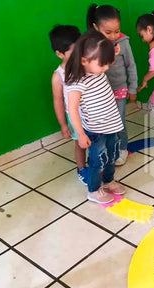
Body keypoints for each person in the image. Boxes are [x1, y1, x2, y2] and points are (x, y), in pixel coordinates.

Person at [65, 30, 126, 204]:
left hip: (111, 126)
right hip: (95, 131)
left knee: (111, 156)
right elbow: (72, 110)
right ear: (84, 60)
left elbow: (106, 54)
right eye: (103, 64)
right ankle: (93, 190)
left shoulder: (96, 70)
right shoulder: (76, 83)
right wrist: (81, 134)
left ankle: (108, 181)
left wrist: (111, 52)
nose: (106, 68)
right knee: (97, 161)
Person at [87, 4, 138, 166]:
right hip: (99, 94)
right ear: (96, 27)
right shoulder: (91, 45)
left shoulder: (123, 42)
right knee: (103, 125)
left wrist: (133, 88)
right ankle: (107, 150)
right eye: (108, 32)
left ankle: (122, 148)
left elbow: (131, 66)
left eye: (116, 31)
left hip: (119, 90)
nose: (113, 36)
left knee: (119, 122)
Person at [49, 25, 88, 184]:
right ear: (59, 54)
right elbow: (58, 100)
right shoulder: (58, 76)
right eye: (73, 51)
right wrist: (63, 124)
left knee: (95, 141)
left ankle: (97, 164)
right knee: (80, 144)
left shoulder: (85, 64)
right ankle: (82, 169)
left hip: (91, 113)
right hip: (75, 117)